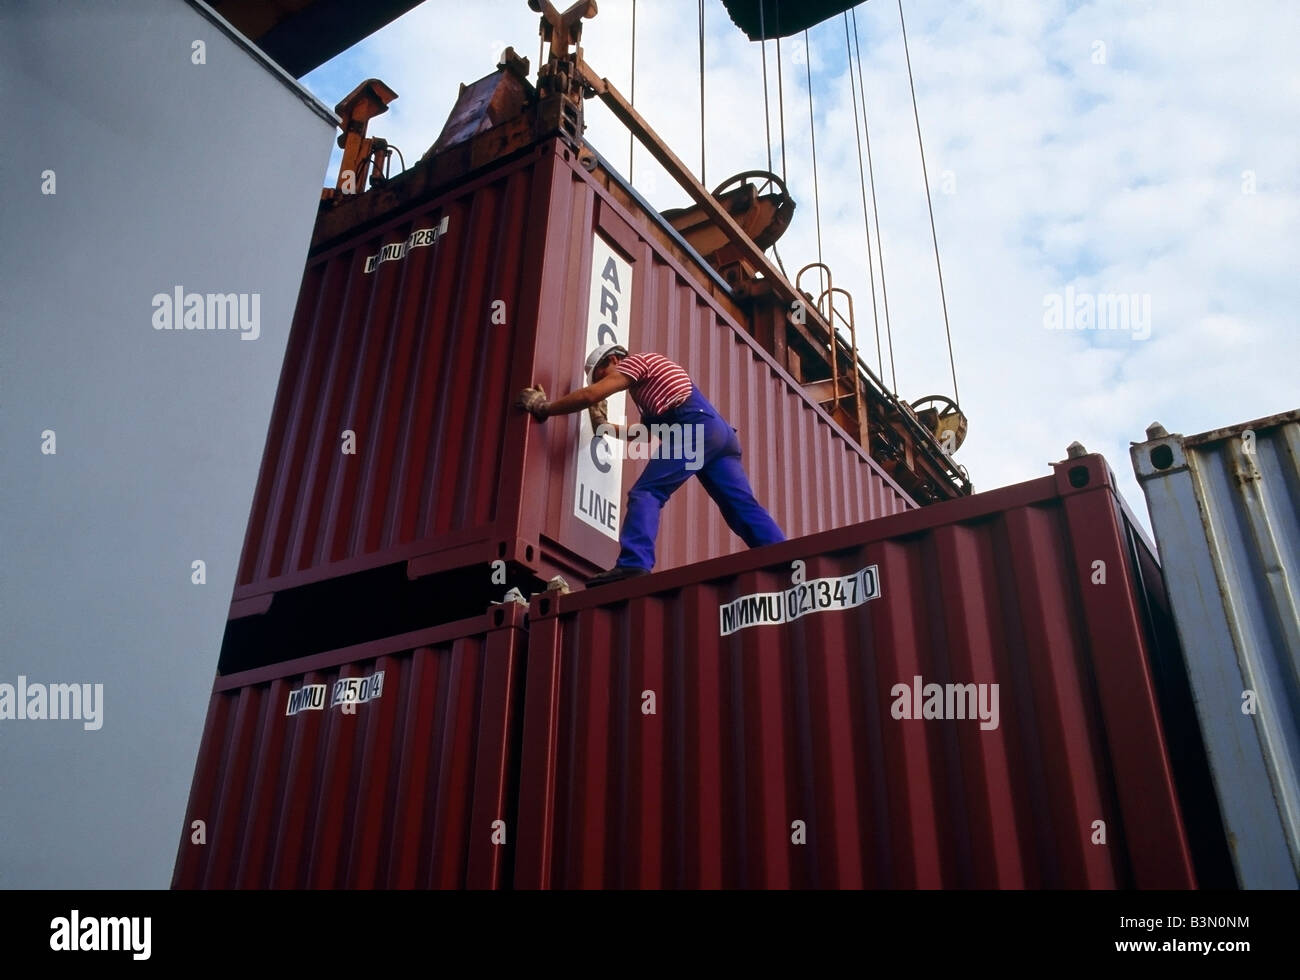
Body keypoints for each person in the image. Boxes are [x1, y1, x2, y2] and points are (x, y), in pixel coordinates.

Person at [515, 344, 785, 586]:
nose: (602, 383)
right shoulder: (649, 394)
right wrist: (605, 428)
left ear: (614, 359)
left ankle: (634, 564)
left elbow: (589, 396)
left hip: (695, 428)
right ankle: (782, 557)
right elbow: (641, 433)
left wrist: (546, 408)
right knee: (740, 506)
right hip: (719, 436)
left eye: (600, 374)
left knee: (647, 493)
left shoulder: (638, 362)